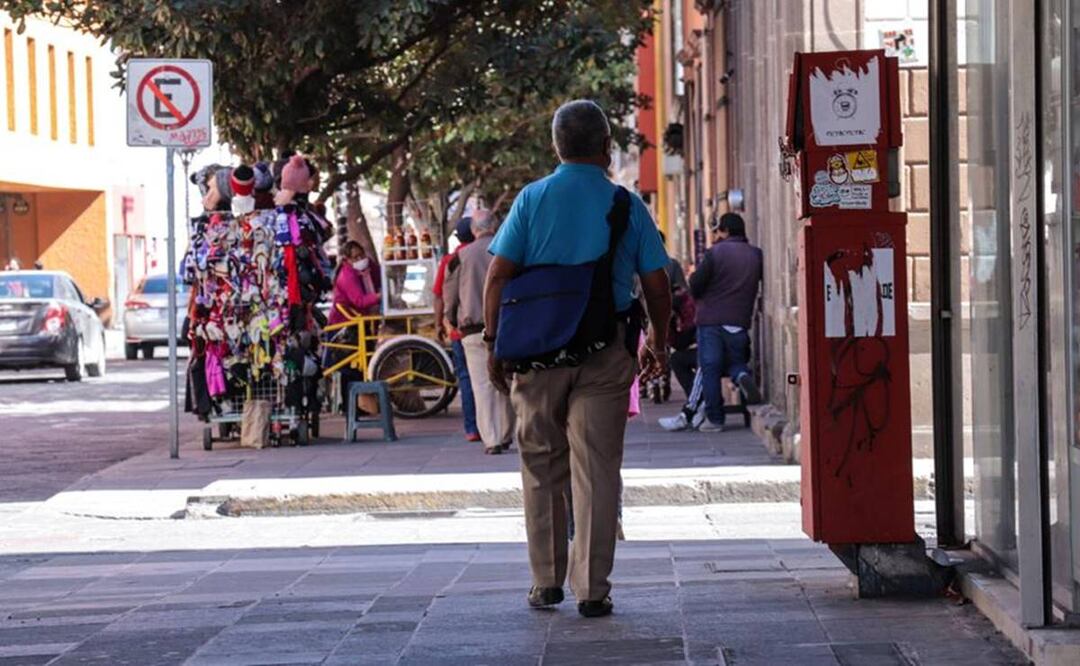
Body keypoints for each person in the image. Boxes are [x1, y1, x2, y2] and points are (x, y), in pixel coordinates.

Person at [483, 100, 671, 618]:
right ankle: (592, 588)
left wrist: (494, 341)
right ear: (607, 149)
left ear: (556, 146)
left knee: (541, 465)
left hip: (538, 354)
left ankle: (546, 583)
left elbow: (498, 274)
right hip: (605, 352)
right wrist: (659, 341)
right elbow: (657, 283)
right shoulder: (626, 206)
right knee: (597, 468)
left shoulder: (532, 199)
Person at [688, 212, 763, 433]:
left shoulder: (715, 253)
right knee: (737, 361)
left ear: (726, 231)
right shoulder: (756, 255)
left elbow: (695, 285)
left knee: (710, 368)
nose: (717, 235)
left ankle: (716, 419)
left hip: (711, 320)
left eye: (719, 231)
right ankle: (741, 376)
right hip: (739, 320)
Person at [451, 211, 515, 455]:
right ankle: (507, 432)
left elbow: (451, 293)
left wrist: (449, 318)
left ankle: (492, 439)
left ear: (474, 229)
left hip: (473, 328)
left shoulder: (461, 256)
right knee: (506, 379)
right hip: (506, 324)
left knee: (481, 384)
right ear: (496, 226)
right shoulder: (507, 249)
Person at [433, 217, 480, 442]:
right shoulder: (488, 253)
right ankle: (494, 427)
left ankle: (472, 428)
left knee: (466, 378)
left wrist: (440, 322)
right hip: (487, 325)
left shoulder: (450, 260)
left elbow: (441, 296)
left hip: (459, 329)